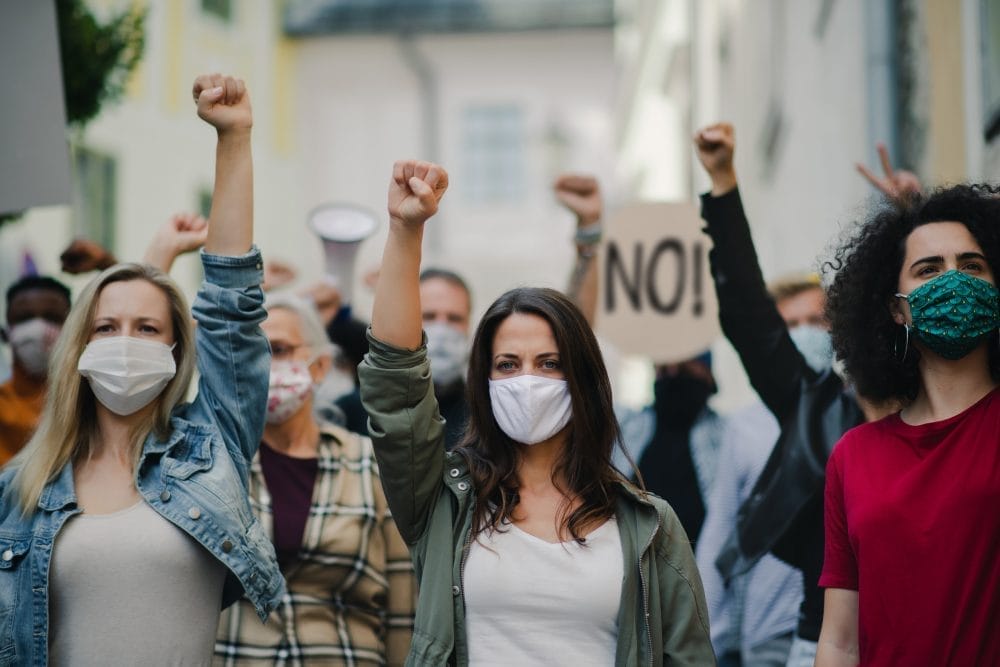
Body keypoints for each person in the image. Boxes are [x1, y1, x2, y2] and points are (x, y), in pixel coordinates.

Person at [358, 159, 715, 666]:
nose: (528, 380)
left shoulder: (649, 525)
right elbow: (395, 387)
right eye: (508, 364)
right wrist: (405, 229)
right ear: (484, 382)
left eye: (550, 364)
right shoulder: (444, 503)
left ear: (583, 379)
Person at [0, 73, 283, 664]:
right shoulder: (22, 487)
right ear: (78, 348)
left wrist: (233, 139)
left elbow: (231, 308)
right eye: (106, 328)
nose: (125, 342)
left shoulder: (210, 449)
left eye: (147, 329)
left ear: (178, 349)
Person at [693, 122, 867, 666]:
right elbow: (748, 311)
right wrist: (723, 182)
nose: (806, 335)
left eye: (820, 322)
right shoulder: (812, 405)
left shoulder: (927, 402)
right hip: (814, 641)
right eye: (794, 325)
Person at [815, 183, 1000, 665]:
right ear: (897, 308)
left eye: (972, 265)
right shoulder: (854, 456)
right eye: (929, 269)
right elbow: (839, 639)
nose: (953, 280)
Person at [215, 295, 415, 665]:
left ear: (320, 365)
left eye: (278, 349)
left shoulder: (371, 464)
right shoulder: (216, 464)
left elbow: (404, 604)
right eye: (248, 351)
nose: (263, 364)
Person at [0, 276, 71, 464]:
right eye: (25, 318)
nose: (39, 328)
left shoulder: (91, 406)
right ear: (6, 333)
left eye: (52, 318)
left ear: (73, 330)